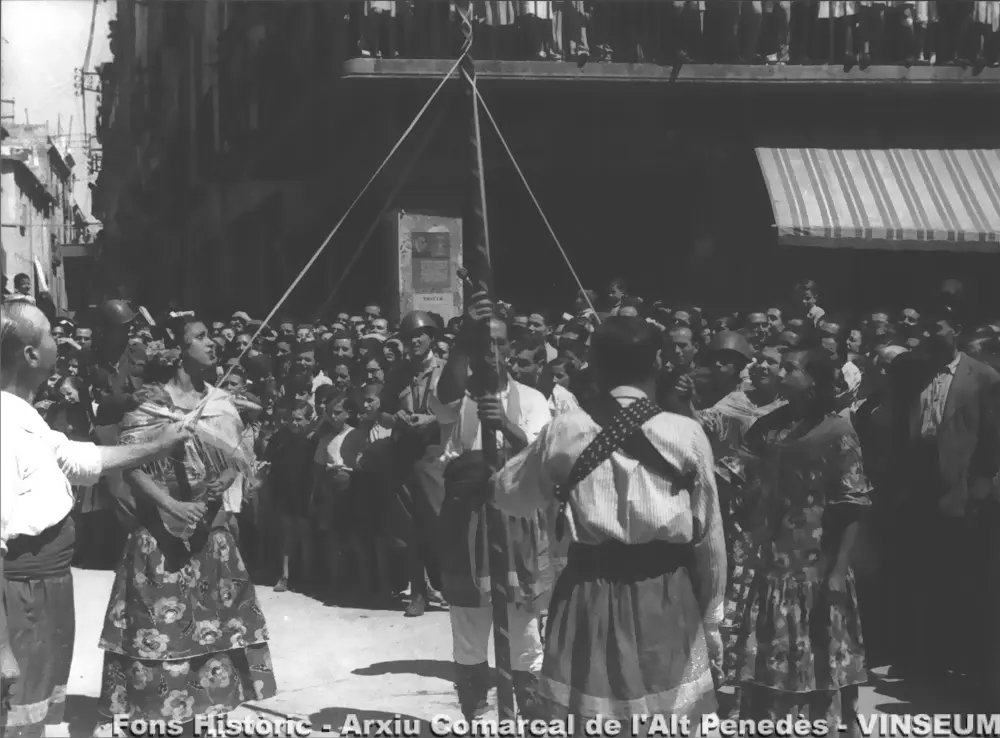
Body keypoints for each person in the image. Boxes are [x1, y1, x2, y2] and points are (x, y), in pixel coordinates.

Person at [491, 316, 726, 722]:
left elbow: (508, 496)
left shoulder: (565, 429)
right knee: (666, 719)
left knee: (593, 719)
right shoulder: (686, 433)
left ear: (594, 364)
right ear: (657, 361)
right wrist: (711, 617)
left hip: (588, 595)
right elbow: (709, 538)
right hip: (667, 597)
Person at [0, 303, 186, 738]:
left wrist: (160, 444)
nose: (58, 344)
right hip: (21, 597)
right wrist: (2, 646)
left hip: (45, 590)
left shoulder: (23, 414)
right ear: (30, 355)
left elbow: (80, 459)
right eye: (48, 336)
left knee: (32, 715)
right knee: (13, 718)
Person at [93, 313, 276, 731]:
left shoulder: (219, 403)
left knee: (213, 633)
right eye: (201, 336)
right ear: (179, 352)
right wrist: (170, 504)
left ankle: (203, 715)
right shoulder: (150, 406)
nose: (212, 343)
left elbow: (236, 458)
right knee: (162, 630)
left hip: (211, 536)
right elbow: (132, 464)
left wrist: (222, 482)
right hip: (160, 537)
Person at [431, 295, 553, 720]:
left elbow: (541, 455)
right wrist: (463, 338)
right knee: (468, 629)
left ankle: (531, 719)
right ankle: (478, 716)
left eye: (501, 344)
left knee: (524, 637)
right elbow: (441, 400)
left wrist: (505, 425)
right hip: (466, 525)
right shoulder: (458, 397)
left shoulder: (533, 399)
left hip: (515, 527)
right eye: (485, 345)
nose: (494, 354)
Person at [735, 351, 870, 735]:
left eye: (789, 366)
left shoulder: (836, 431)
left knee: (819, 646)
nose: (778, 371)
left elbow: (853, 503)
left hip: (817, 559)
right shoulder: (767, 427)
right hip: (773, 556)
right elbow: (747, 478)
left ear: (813, 380)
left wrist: (839, 570)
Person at [888, 305, 1000, 701]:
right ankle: (924, 658)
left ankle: (960, 658)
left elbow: (990, 438)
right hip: (918, 483)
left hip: (959, 487)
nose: (928, 333)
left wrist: (980, 487)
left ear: (956, 330)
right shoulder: (915, 370)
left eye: (936, 327)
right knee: (920, 573)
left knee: (957, 575)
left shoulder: (983, 378)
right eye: (924, 326)